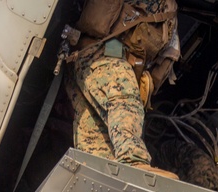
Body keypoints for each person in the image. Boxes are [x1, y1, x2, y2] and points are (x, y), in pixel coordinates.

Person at [65, 0, 180, 176]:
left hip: (94, 62)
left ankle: (102, 182)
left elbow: (165, 59)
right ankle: (133, 161)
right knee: (124, 98)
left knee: (95, 138)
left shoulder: (169, 12)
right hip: (98, 55)